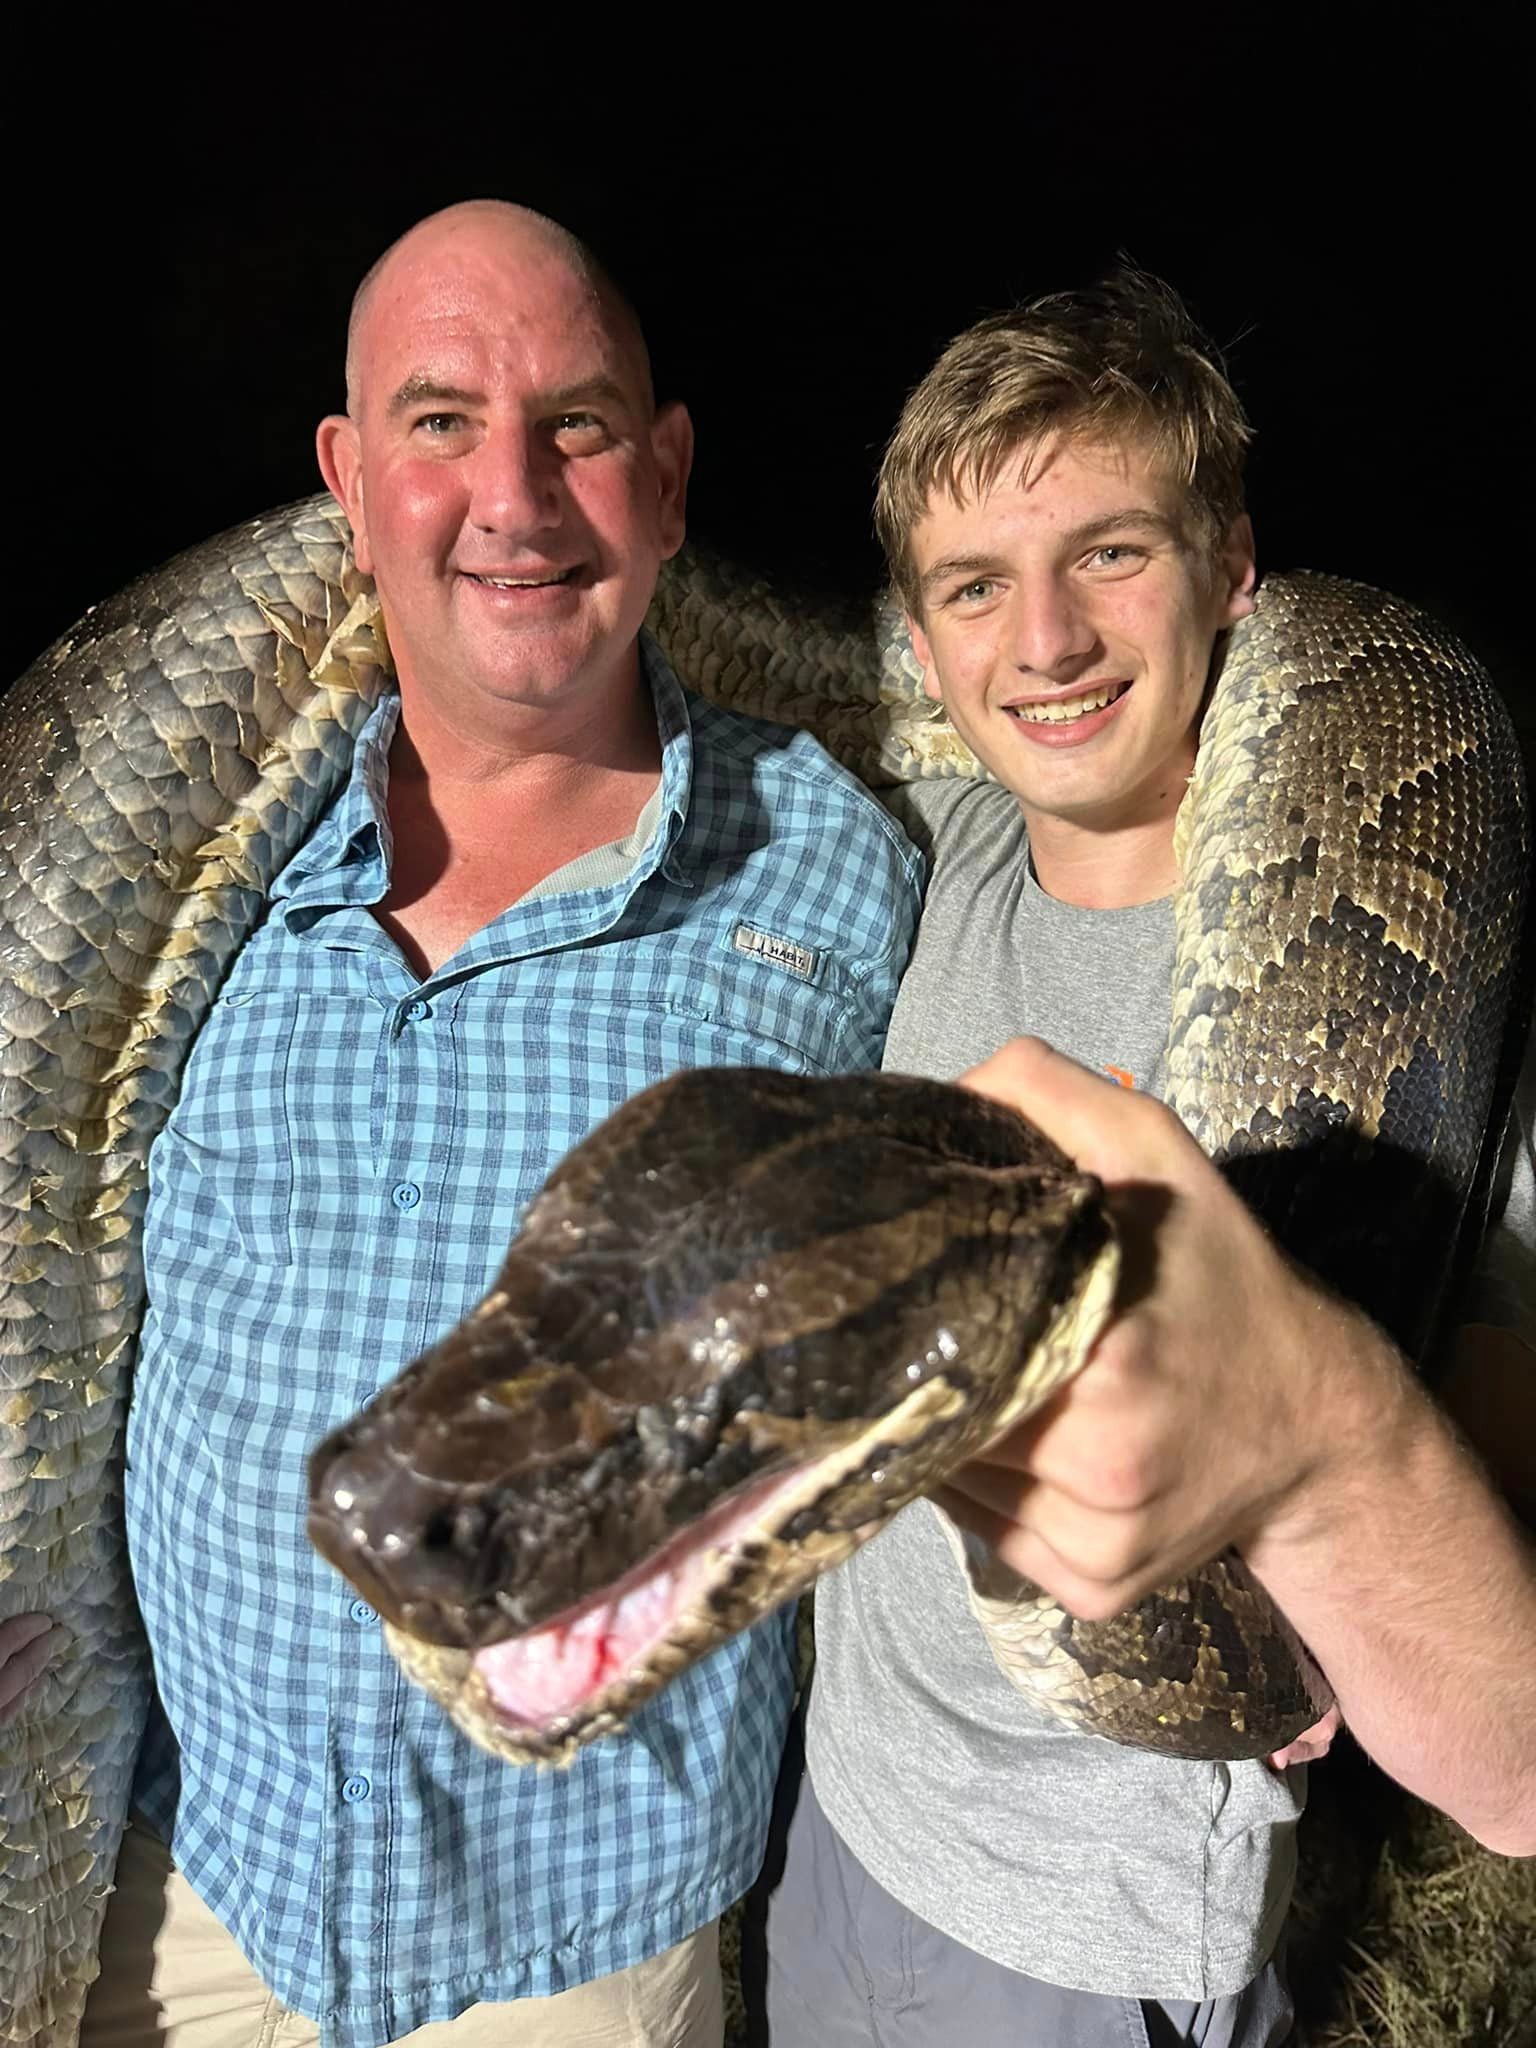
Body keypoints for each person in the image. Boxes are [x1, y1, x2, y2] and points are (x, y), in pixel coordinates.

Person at [53, 200, 922, 2048]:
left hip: (582, 1948)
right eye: (442, 423)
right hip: (192, 1898)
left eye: (579, 426)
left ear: (669, 478)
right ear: (350, 483)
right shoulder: (204, 875)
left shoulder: (848, 872)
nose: (513, 495)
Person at [764, 272, 1536, 2047]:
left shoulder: (1407, 968)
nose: (1044, 642)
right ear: (924, 632)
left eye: (1110, 554)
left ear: (1233, 575)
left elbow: (1481, 1399)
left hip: (1097, 1929)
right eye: (976, 587)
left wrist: (1336, 1568)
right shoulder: (944, 854)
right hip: (853, 1820)